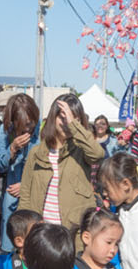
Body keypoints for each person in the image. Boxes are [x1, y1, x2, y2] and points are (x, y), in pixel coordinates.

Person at [21, 93, 105, 231]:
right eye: (63, 116)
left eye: (72, 118)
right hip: (42, 233)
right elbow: (25, 195)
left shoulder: (81, 150)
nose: (67, 122)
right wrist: (26, 229)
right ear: (53, 117)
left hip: (73, 233)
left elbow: (98, 154)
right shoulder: (36, 153)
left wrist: (74, 125)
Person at [0, 93, 41, 269]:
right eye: (24, 124)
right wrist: (12, 148)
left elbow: (46, 165)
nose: (29, 128)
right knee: (10, 239)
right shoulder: (4, 131)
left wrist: (27, 184)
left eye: (31, 123)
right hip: (11, 193)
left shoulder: (41, 131)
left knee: (34, 238)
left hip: (34, 190)